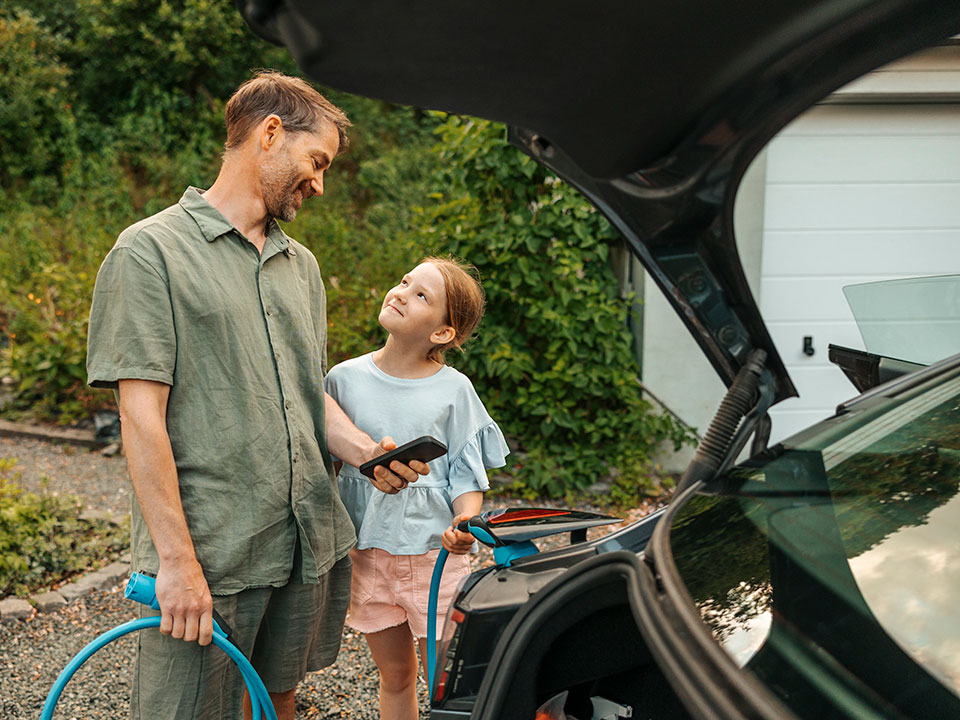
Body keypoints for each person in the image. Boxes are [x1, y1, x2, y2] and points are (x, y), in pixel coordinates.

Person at [85, 70, 428, 720]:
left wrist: (364, 452)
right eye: (316, 160)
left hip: (303, 544)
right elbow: (140, 417)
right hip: (213, 553)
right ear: (270, 133)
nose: (320, 183)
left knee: (276, 702)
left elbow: (306, 395)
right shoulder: (150, 253)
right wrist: (177, 564)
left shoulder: (302, 268)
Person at [325, 257, 509, 720]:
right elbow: (325, 468)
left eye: (422, 295)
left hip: (435, 557)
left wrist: (465, 522)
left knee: (450, 683)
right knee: (396, 677)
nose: (402, 292)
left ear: (443, 333)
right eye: (405, 281)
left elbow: (467, 478)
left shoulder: (454, 390)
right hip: (366, 556)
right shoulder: (342, 380)